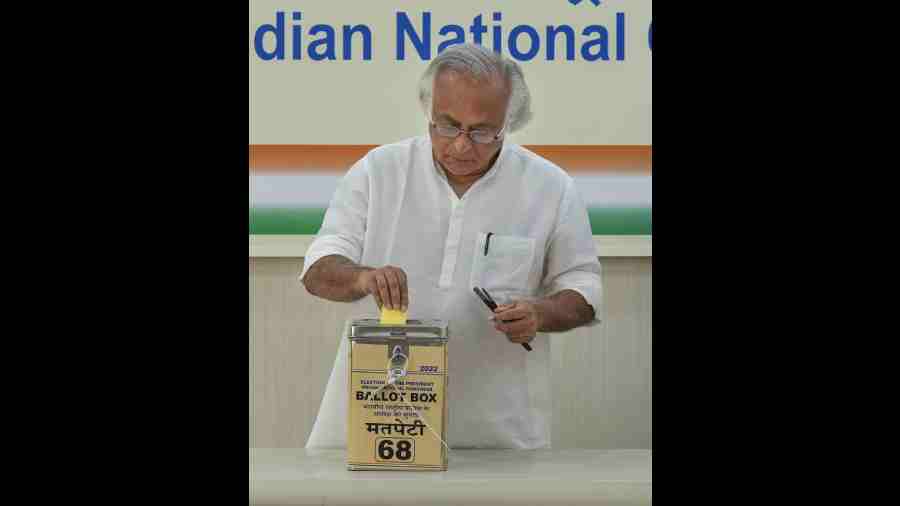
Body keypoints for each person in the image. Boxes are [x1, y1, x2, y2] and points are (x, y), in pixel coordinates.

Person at [300, 43, 602, 449]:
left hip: (497, 430)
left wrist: (540, 313)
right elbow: (319, 266)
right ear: (428, 113)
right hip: (377, 420)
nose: (461, 145)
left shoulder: (550, 187)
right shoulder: (380, 171)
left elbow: (583, 286)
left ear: (510, 122)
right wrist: (363, 277)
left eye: (481, 131)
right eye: (447, 126)